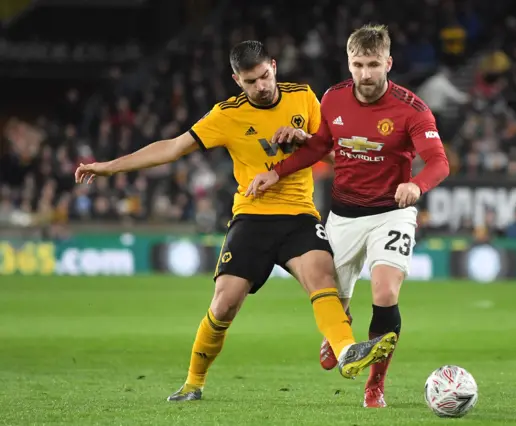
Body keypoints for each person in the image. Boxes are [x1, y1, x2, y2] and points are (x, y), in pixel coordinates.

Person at [74, 40, 397, 402]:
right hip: (252, 217)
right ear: (236, 81)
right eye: (250, 81)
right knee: (225, 303)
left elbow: (340, 153)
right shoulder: (226, 115)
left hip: (299, 215)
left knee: (322, 277)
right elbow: (173, 147)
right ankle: (194, 383)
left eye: (264, 76)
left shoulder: (304, 97)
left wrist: (305, 140)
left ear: (274, 66)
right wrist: (108, 167)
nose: (260, 86)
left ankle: (346, 352)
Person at [246, 25, 450, 408]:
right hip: (342, 215)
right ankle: (340, 334)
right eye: (358, 64)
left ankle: (375, 386)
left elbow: (439, 163)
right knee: (331, 304)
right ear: (349, 63)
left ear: (388, 63)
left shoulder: (412, 109)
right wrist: (277, 172)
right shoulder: (333, 98)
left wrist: (417, 186)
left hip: (392, 213)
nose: (366, 74)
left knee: (385, 292)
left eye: (374, 64)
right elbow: (321, 146)